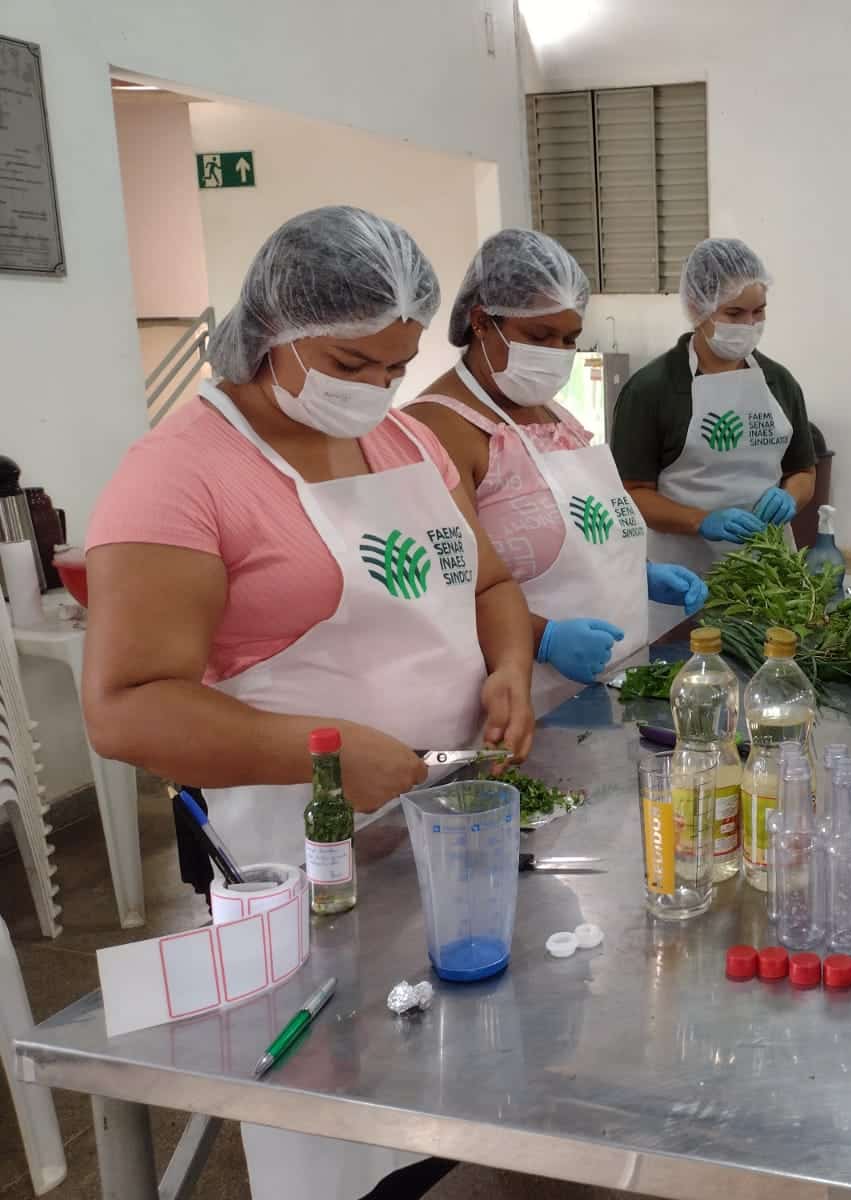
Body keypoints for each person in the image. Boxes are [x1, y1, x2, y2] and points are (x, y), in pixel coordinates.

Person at [81, 206, 534, 1200]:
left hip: (443, 821)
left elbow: (492, 587)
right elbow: (125, 708)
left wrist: (509, 668)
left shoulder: (408, 441)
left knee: (468, 1073)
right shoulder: (179, 475)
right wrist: (322, 754)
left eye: (393, 366)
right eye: (350, 362)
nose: (374, 389)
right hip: (305, 847)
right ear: (271, 332)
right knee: (348, 1108)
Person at [409, 229, 706, 713]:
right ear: (482, 322)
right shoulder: (435, 429)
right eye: (540, 336)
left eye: (569, 338)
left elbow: (577, 529)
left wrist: (638, 573)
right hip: (525, 697)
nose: (557, 351)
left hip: (613, 680)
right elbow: (444, 588)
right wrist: (543, 638)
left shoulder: (552, 414)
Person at [610, 238, 816, 603]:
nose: (749, 325)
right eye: (734, 314)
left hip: (770, 576)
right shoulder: (652, 390)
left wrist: (790, 497)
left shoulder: (779, 383)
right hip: (685, 577)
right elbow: (632, 494)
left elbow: (803, 471)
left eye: (759, 312)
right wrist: (701, 520)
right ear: (697, 307)